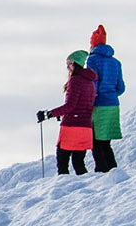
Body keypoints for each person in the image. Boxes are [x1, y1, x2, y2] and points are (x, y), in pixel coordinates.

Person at [37, 50, 98, 175]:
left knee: (62, 162)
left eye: (69, 63)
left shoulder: (75, 80)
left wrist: (49, 114)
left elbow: (70, 106)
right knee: (79, 163)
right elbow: (82, 104)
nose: (67, 66)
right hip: (85, 127)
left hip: (72, 126)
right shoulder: (90, 82)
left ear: (76, 64)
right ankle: (85, 191)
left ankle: (62, 191)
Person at [85, 25, 125, 172]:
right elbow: (120, 88)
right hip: (113, 104)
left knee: (95, 141)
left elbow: (92, 83)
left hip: (99, 104)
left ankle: (101, 171)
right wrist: (111, 94)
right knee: (105, 142)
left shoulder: (92, 60)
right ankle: (113, 170)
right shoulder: (116, 62)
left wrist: (90, 100)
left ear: (93, 44)